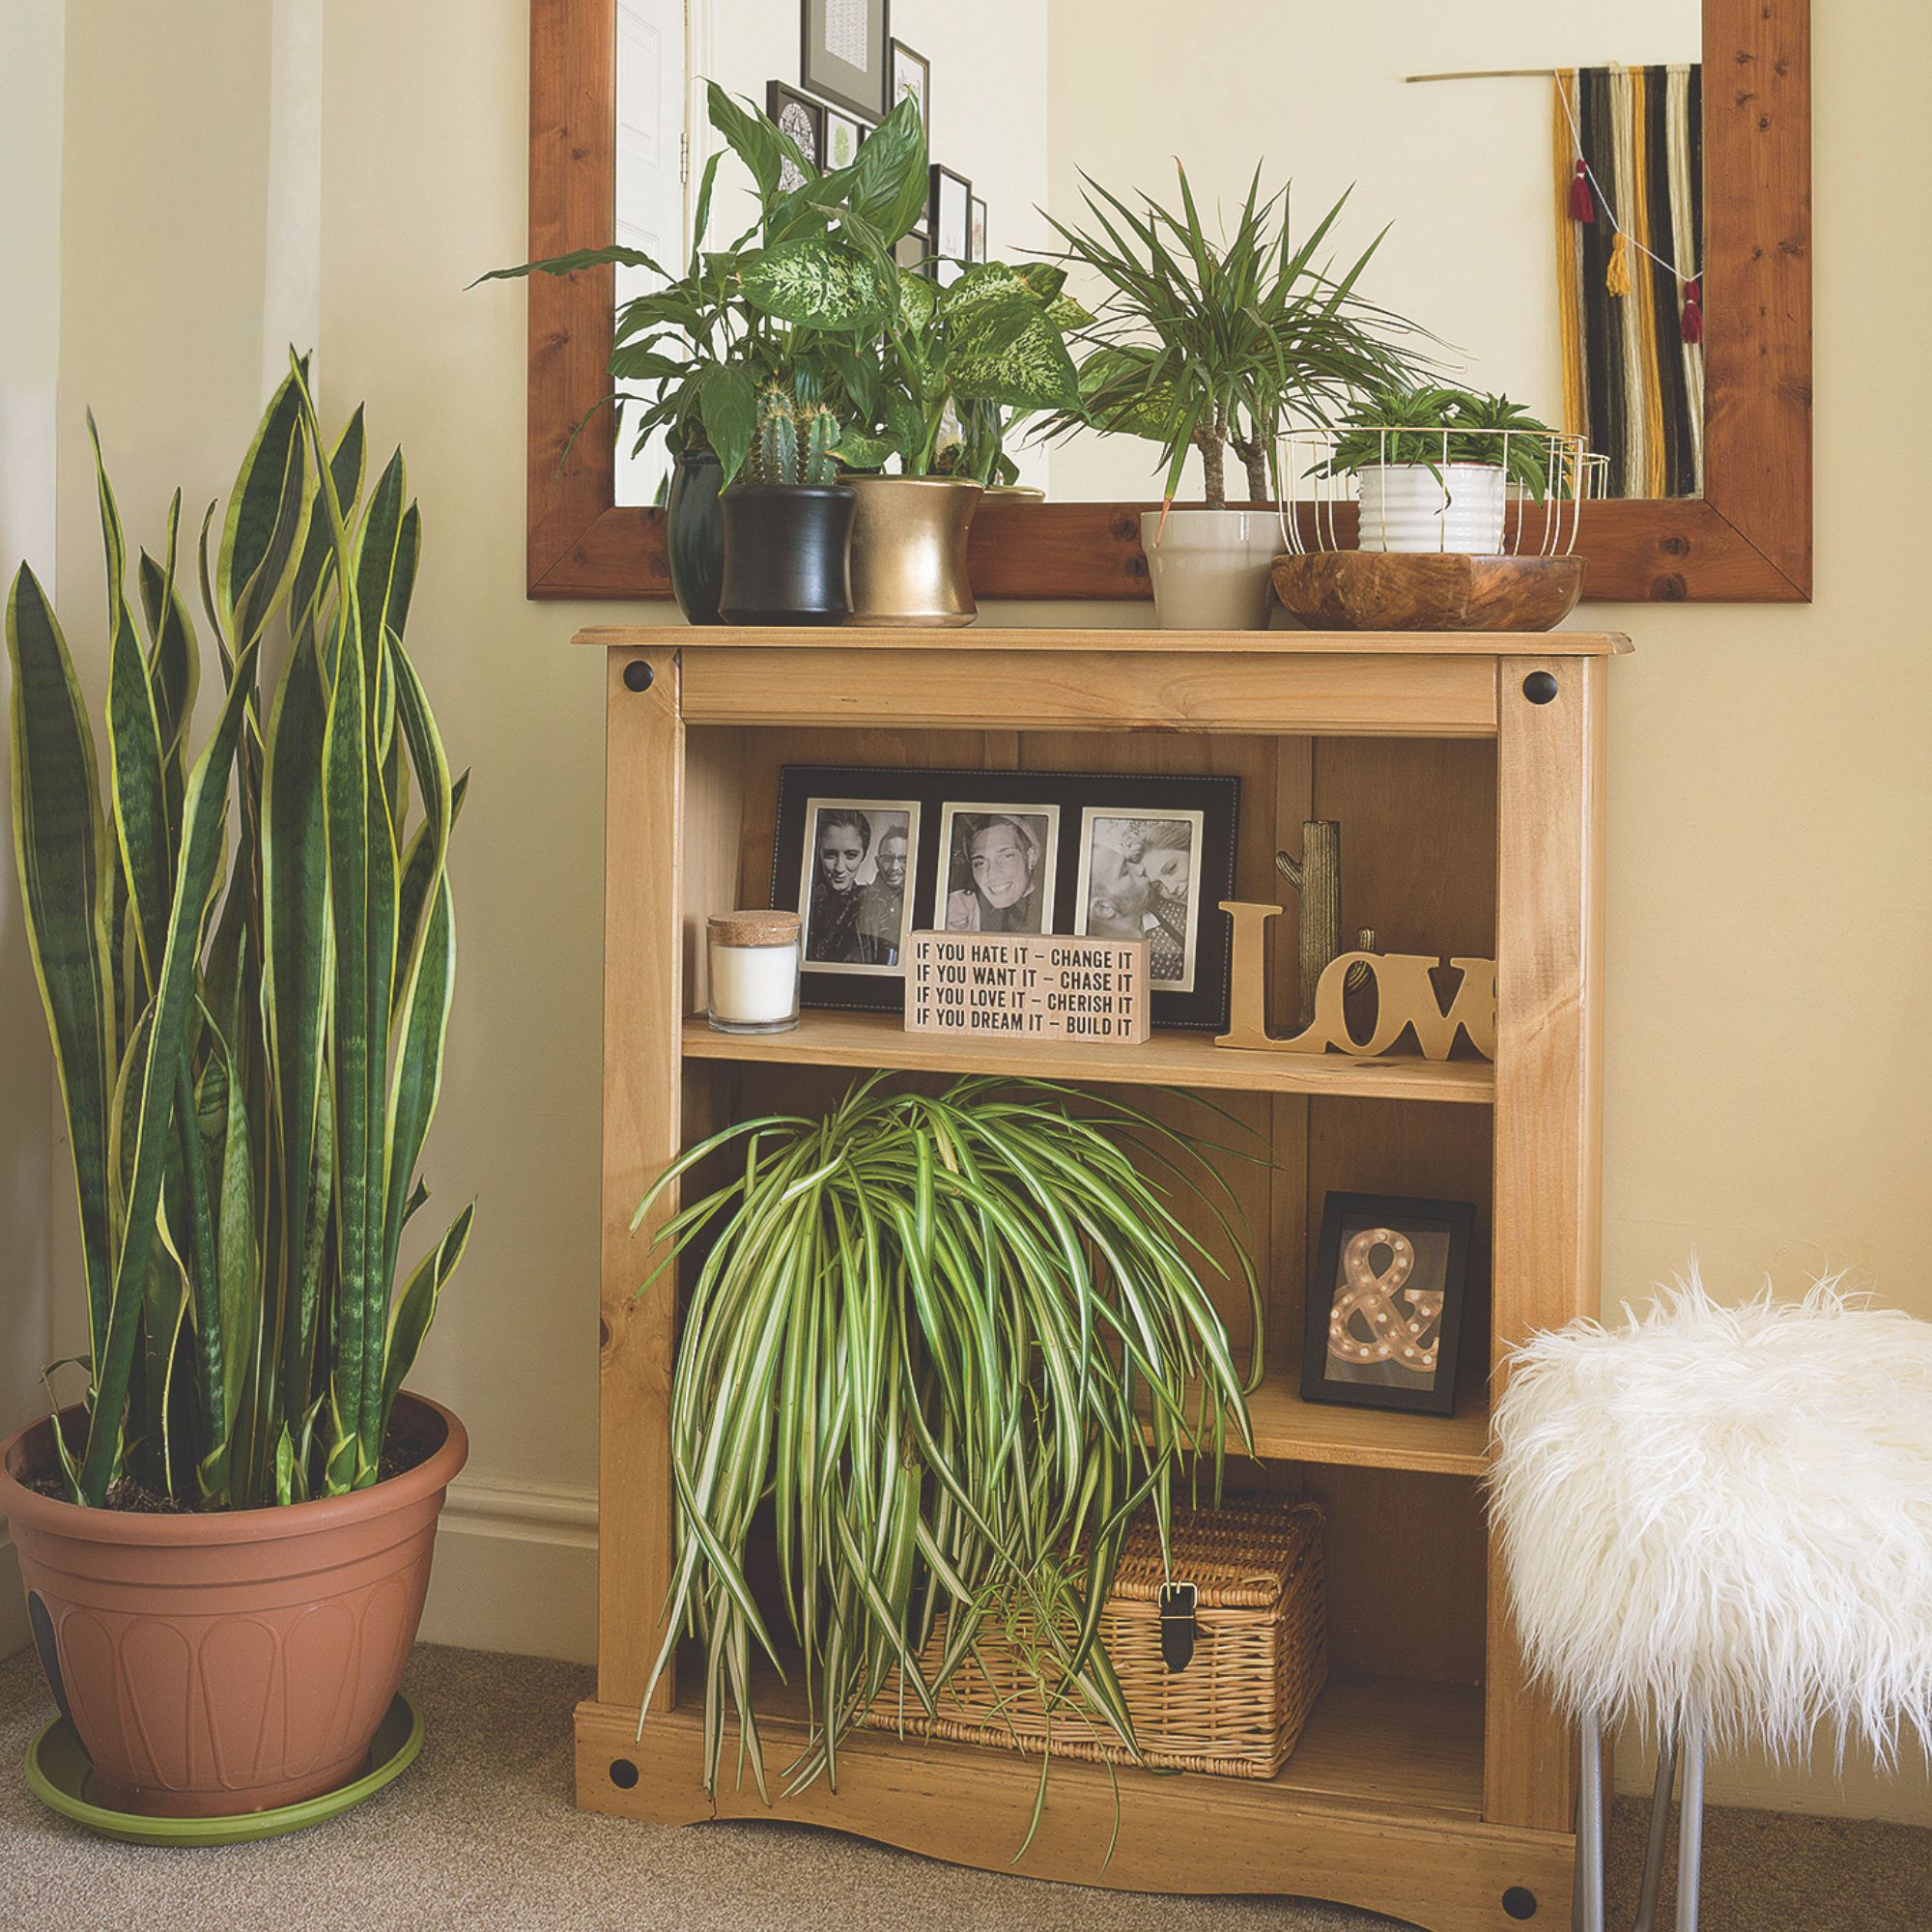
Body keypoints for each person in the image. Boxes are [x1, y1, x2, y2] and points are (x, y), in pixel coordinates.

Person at [1084, 817, 1191, 981]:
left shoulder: (1176, 909)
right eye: (1125, 871)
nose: (1140, 869)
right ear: (1104, 908)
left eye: (1128, 862)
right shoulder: (1094, 966)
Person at [806, 809, 898, 965]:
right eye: (830, 855)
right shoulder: (804, 902)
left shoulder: (878, 906)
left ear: (864, 855)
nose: (839, 868)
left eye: (851, 855)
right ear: (818, 852)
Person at [945, 814, 1044, 933]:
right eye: (980, 863)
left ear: (1031, 857)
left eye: (1006, 856)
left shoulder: (1046, 914)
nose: (992, 873)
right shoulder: (974, 918)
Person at [857, 826, 908, 959]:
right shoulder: (857, 900)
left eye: (903, 859)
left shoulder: (920, 904)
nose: (894, 867)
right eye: (887, 858)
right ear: (877, 861)